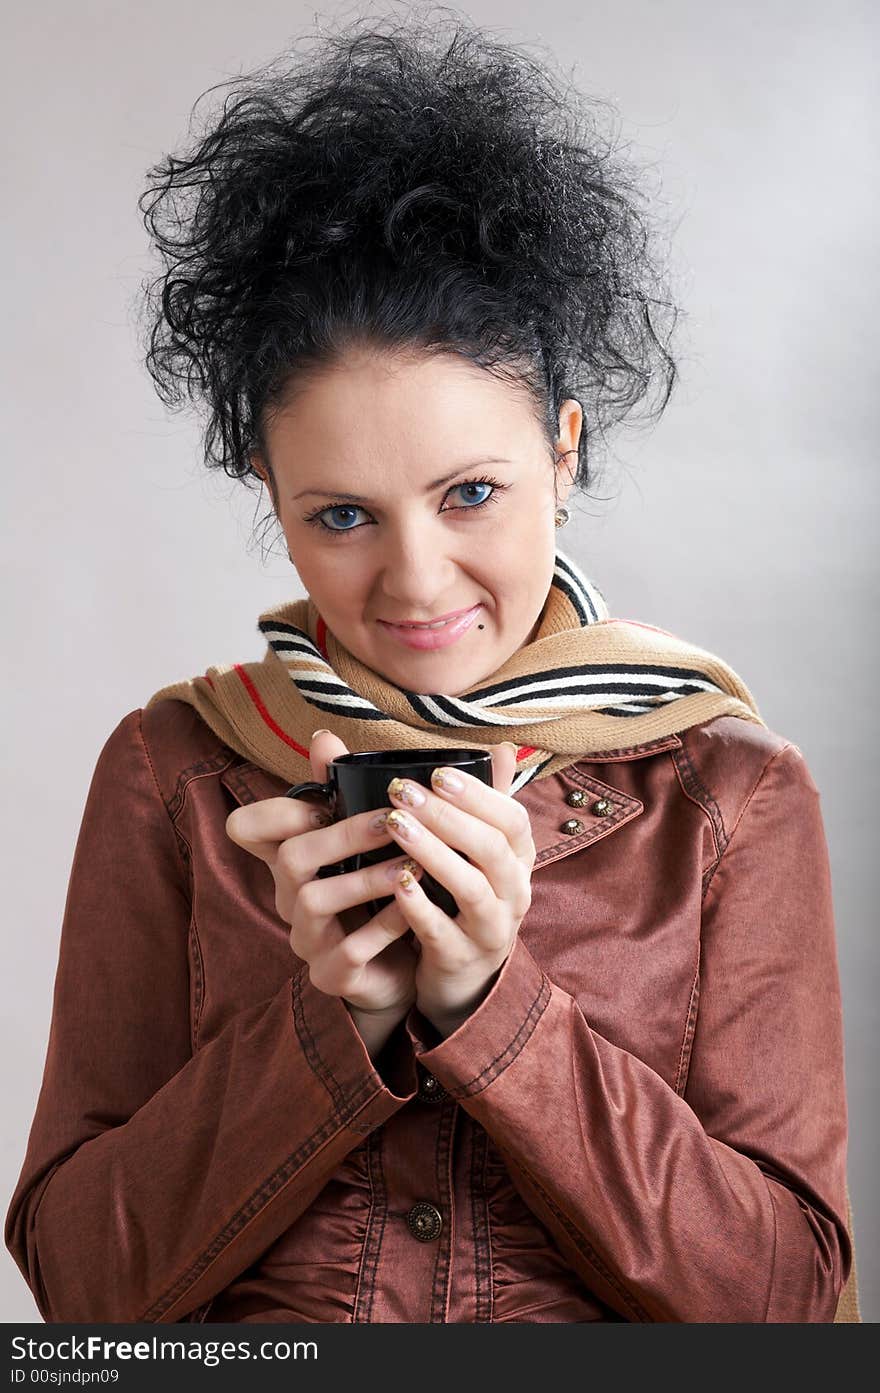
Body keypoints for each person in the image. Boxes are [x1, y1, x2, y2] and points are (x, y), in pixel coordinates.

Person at [5, 9, 854, 1324]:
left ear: (565, 452)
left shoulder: (730, 796)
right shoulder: (173, 771)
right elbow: (79, 1297)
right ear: (269, 493)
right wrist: (328, 1025)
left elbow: (788, 1309)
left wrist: (489, 1004)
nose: (414, 582)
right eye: (341, 514)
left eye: (471, 493)